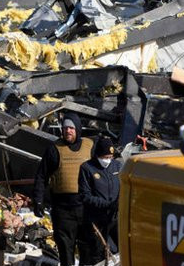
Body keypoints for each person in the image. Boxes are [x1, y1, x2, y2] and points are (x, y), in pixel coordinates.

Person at [33, 112, 94, 266]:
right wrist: (38, 201)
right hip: (63, 210)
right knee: (66, 250)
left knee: (87, 249)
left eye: (71, 128)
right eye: (65, 128)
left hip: (86, 208)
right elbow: (41, 176)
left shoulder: (90, 146)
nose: (68, 131)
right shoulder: (54, 149)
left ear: (78, 129)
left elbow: (104, 171)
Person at [77, 136, 121, 265]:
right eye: (105, 157)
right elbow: (85, 196)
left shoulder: (117, 166)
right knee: (97, 252)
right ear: (98, 155)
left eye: (110, 157)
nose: (107, 160)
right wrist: (107, 204)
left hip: (114, 218)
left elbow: (123, 186)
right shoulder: (87, 168)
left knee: (119, 250)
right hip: (96, 220)